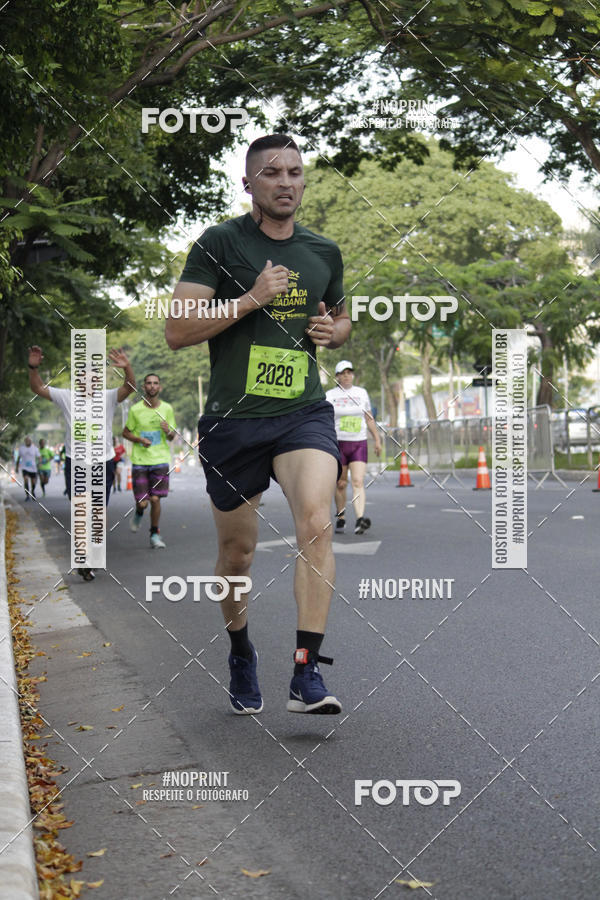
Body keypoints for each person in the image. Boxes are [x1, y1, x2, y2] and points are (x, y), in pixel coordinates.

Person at [166, 133, 351, 716]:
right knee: (238, 557)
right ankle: (240, 648)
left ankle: (306, 673)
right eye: (272, 173)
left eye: (296, 172)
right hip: (233, 422)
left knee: (317, 523)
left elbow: (340, 319)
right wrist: (250, 299)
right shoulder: (219, 242)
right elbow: (177, 330)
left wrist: (332, 333)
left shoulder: (323, 250)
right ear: (249, 183)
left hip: (302, 411)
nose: (287, 182)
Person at [27, 345, 136, 580]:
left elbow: (130, 387)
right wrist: (33, 367)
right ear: (78, 380)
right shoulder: (67, 397)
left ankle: (92, 554)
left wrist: (128, 368)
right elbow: (37, 388)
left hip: (102, 462)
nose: (92, 381)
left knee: (97, 512)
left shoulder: (107, 397)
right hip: (76, 462)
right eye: (86, 377)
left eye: (95, 377)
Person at [326, 361, 381, 535]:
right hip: (338, 443)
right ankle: (341, 518)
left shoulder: (361, 393)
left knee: (358, 481)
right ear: (337, 377)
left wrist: (377, 439)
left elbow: (369, 417)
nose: (346, 376)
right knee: (341, 483)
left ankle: (359, 519)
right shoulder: (330, 395)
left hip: (358, 442)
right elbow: (325, 420)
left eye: (349, 372)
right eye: (342, 373)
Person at [123, 374, 177, 549]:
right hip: (140, 460)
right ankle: (139, 512)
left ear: (159, 387)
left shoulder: (167, 409)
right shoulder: (135, 410)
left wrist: (168, 431)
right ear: (144, 387)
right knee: (143, 502)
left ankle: (154, 534)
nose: (152, 386)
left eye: (155, 383)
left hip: (160, 459)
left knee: (155, 499)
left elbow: (171, 437)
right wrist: (139, 440)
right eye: (149, 383)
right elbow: (126, 432)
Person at [16, 436, 40, 501]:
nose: (27, 442)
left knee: (33, 483)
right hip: (25, 467)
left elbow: (39, 457)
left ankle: (33, 491)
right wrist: (17, 467)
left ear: (31, 441)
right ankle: (27, 495)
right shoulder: (21, 448)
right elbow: (18, 458)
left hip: (33, 468)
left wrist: (39, 464)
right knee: (26, 480)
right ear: (25, 442)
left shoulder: (35, 448)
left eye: (29, 441)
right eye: (26, 441)